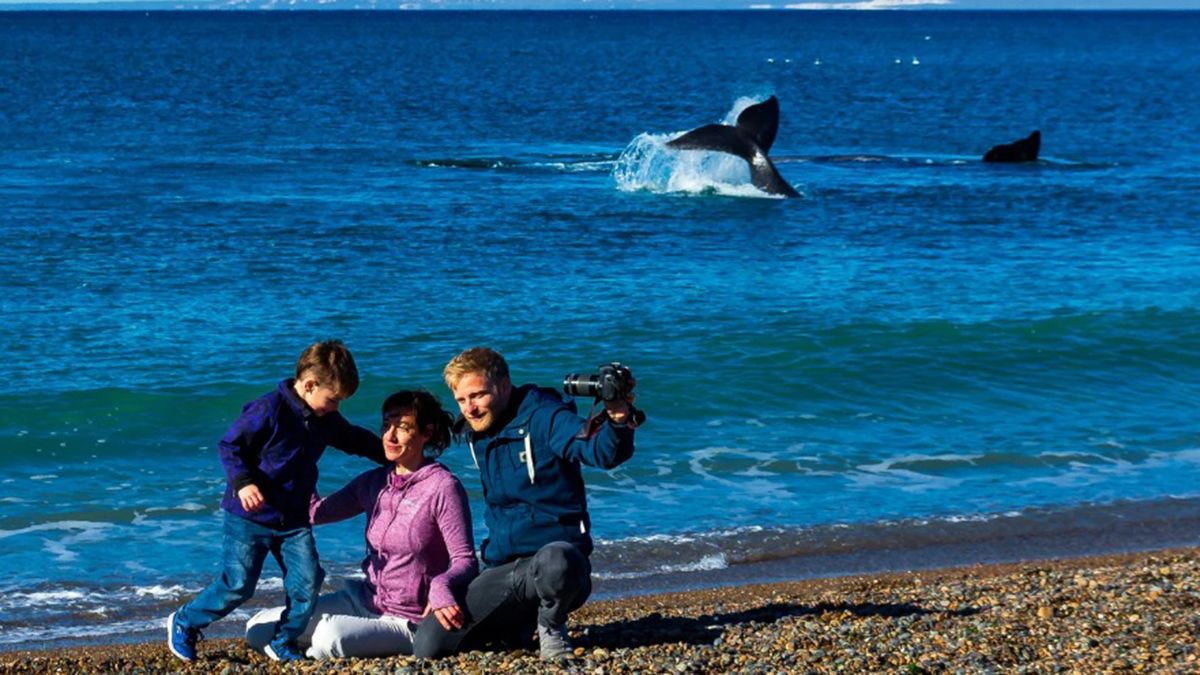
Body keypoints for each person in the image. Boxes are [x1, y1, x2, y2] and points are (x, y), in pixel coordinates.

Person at [166, 340, 387, 663]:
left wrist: (394, 456)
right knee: (238, 585)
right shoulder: (268, 409)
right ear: (310, 385)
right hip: (248, 516)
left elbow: (355, 439)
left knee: (308, 580)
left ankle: (283, 639)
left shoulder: (326, 420)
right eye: (334, 398)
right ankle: (185, 621)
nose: (336, 406)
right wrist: (243, 483)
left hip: (294, 520)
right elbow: (230, 447)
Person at [413, 347, 640, 661]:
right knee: (429, 645)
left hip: (559, 564)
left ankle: (551, 624)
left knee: (556, 561)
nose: (470, 409)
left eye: (478, 396)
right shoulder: (478, 430)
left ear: (504, 386)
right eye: (462, 400)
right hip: (504, 568)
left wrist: (617, 418)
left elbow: (602, 453)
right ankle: (516, 622)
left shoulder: (545, 417)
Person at [244, 389, 477, 659]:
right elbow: (315, 513)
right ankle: (303, 653)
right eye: (386, 425)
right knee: (258, 628)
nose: (389, 436)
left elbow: (465, 560)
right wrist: (300, 460)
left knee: (328, 637)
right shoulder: (374, 482)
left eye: (402, 428)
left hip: (406, 620)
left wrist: (441, 586)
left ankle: (312, 651)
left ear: (426, 433)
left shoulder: (443, 487)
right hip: (362, 600)